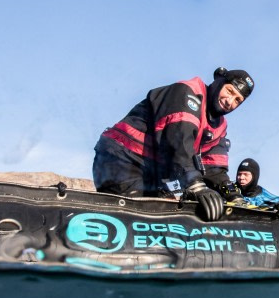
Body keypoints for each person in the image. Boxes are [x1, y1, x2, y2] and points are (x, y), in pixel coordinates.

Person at [93, 67, 254, 222]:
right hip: (123, 157)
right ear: (219, 83)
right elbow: (177, 143)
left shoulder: (219, 125)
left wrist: (232, 195)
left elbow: (213, 168)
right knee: (140, 216)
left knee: (167, 217)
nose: (230, 101)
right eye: (229, 91)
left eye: (238, 100)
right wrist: (196, 185)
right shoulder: (188, 93)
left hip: (155, 171)